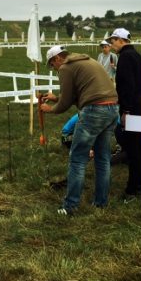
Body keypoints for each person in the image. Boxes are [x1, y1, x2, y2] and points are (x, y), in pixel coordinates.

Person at [40, 45, 119, 215]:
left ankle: (70, 206)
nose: (54, 68)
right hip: (112, 108)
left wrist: (50, 109)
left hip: (94, 111)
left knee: (77, 159)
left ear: (57, 59)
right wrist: (57, 98)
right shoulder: (86, 60)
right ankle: (100, 202)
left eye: (52, 65)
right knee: (103, 158)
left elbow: (66, 102)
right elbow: (81, 93)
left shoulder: (66, 68)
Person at [108, 27, 141, 201]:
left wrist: (126, 110)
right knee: (139, 145)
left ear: (121, 40)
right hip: (140, 105)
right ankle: (140, 183)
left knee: (132, 149)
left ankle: (132, 189)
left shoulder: (124, 57)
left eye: (113, 40)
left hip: (131, 108)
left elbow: (127, 87)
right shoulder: (139, 57)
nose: (111, 44)